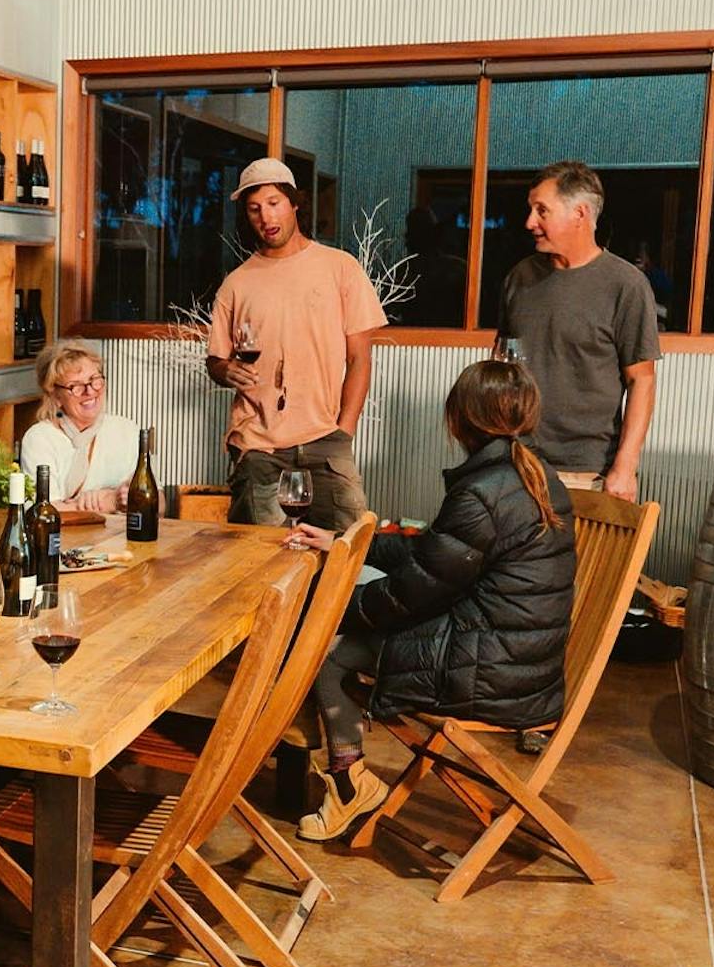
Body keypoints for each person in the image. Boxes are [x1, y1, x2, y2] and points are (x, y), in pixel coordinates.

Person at [284, 360, 575, 842]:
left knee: (329, 653)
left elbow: (411, 593)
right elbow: (435, 556)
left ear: (458, 419)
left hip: (486, 672)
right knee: (353, 605)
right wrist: (347, 544)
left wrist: (329, 609)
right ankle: (344, 778)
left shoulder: (482, 492)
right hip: (520, 664)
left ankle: (348, 785)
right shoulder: (534, 475)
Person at [207, 157, 386, 531]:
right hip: (259, 444)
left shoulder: (341, 268)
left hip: (325, 438)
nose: (266, 217)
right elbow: (216, 361)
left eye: (274, 203)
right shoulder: (237, 283)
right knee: (260, 555)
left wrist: (344, 430)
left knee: (347, 544)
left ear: (294, 204)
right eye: (254, 209)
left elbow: (359, 359)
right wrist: (226, 370)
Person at [499, 161, 660, 503]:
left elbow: (642, 381)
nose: (530, 222)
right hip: (518, 465)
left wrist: (625, 467)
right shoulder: (519, 279)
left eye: (542, 210)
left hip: (588, 473)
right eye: (531, 210)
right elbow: (502, 363)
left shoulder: (625, 285)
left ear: (580, 214)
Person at [18, 339, 140, 514]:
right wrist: (108, 502)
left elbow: (159, 504)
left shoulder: (126, 430)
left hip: (122, 531)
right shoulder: (40, 439)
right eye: (75, 386)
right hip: (65, 532)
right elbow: (42, 512)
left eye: (94, 380)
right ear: (55, 396)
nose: (89, 391)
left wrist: (134, 498)